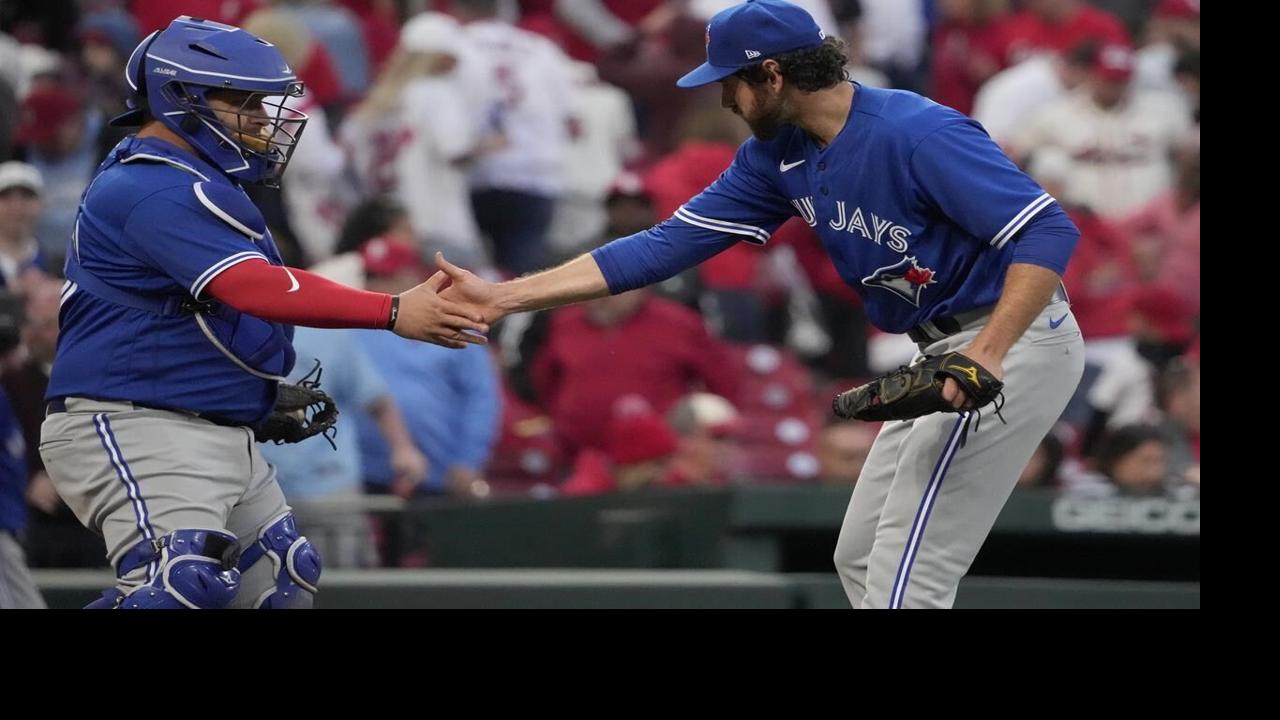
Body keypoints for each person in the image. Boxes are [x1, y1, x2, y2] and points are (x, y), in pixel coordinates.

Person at [435, 0, 1084, 608]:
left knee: (909, 571)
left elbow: (1048, 229)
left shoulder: (916, 131)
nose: (722, 96)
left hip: (1010, 337)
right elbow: (663, 246)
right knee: (860, 556)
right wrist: (504, 296)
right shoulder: (778, 156)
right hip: (940, 346)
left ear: (772, 75)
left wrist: (989, 352)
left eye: (731, 80)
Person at [37, 17, 487, 610]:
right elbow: (252, 287)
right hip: (130, 417)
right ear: (181, 98)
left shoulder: (201, 181)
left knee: (279, 579)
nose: (261, 118)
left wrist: (244, 393)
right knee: (179, 587)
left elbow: (198, 314)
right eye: (243, 102)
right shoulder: (150, 184)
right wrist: (393, 309)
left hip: (192, 417)